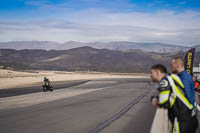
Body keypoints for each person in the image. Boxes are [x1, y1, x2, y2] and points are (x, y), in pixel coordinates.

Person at [151, 64, 198, 133]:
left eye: (152, 73)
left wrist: (154, 99)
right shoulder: (173, 77)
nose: (150, 75)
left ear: (157, 72)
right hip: (191, 117)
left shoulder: (164, 81)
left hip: (182, 122)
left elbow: (163, 103)